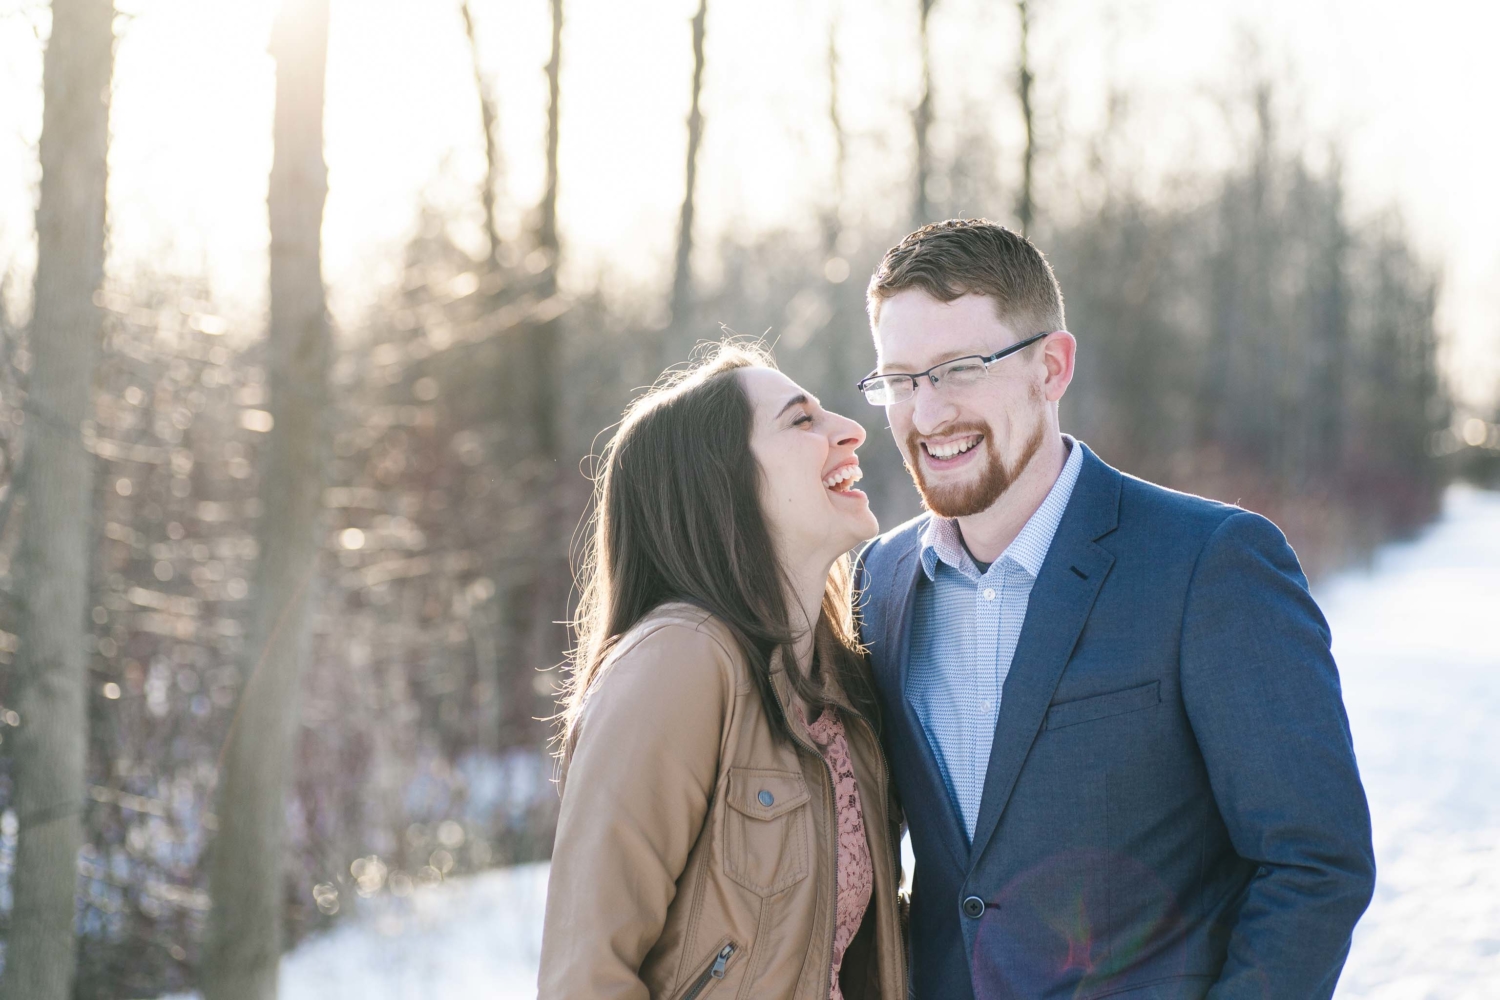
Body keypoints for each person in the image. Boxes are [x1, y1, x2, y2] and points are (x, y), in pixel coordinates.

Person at [853, 219, 1375, 999]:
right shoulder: (879, 582)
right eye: (901, 379)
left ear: (1051, 368)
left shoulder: (1209, 564)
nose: (926, 414)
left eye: (959, 369)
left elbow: (1315, 862)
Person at [538, 343, 907, 999]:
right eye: (801, 421)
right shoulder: (677, 662)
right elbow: (585, 975)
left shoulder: (841, 686)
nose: (849, 430)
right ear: (722, 485)